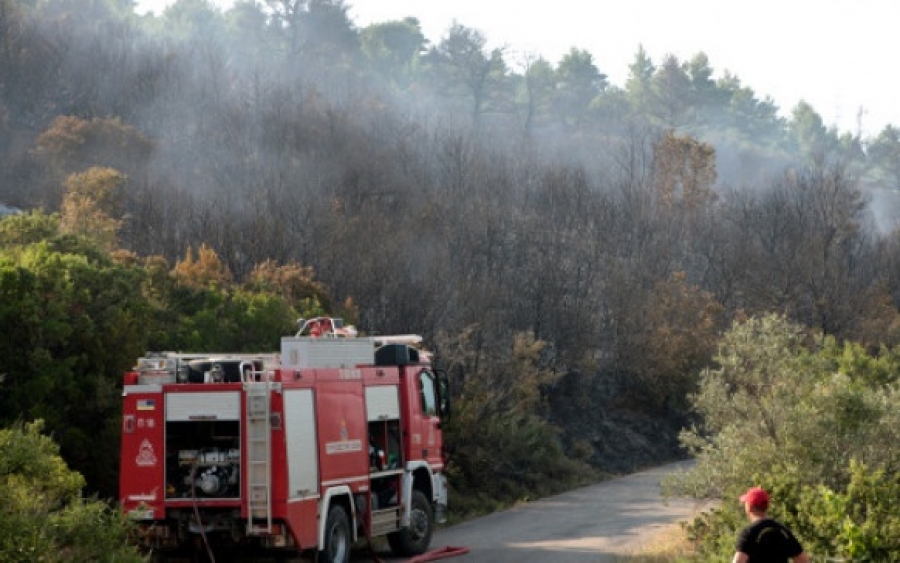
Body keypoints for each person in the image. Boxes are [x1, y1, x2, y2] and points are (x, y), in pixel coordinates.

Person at [732, 487, 810, 563]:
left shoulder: (748, 533)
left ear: (749, 507)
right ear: (767, 506)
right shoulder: (782, 531)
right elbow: (803, 560)